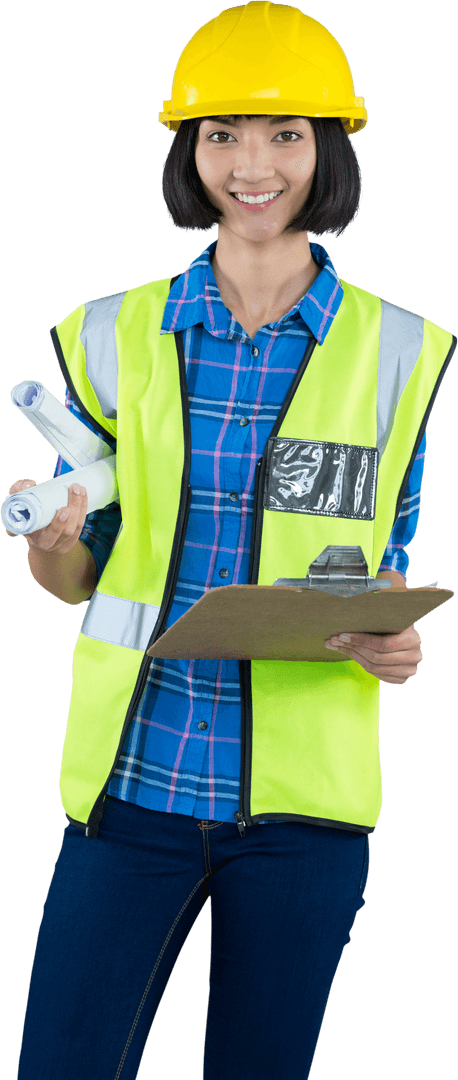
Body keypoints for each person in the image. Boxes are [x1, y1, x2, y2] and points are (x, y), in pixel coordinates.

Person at [7, 4, 454, 1078]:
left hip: (303, 821)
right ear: (186, 151)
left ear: (327, 151)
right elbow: (80, 577)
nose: (252, 166)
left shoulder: (404, 355)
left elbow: (384, 573)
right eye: (221, 136)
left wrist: (390, 640)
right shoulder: (106, 334)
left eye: (284, 135)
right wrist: (53, 538)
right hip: (130, 794)